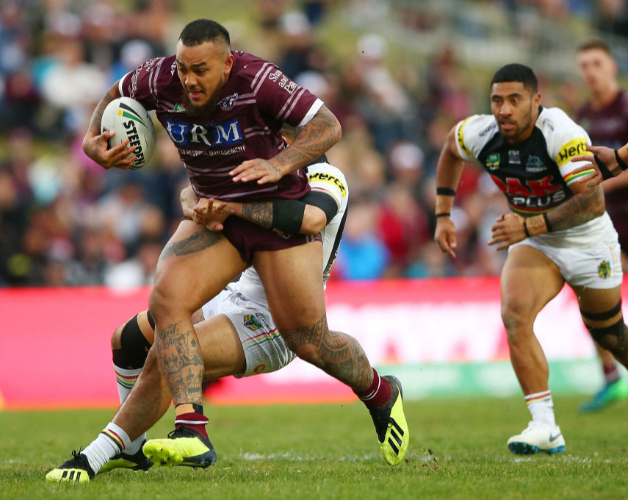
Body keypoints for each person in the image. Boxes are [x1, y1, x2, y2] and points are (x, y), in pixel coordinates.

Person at [69, 19, 408, 472]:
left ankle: (380, 392)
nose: (189, 80)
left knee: (306, 342)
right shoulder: (161, 78)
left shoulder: (320, 172)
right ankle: (182, 430)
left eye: (201, 70)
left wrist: (260, 180)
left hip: (273, 279)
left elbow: (309, 210)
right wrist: (94, 138)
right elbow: (116, 92)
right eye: (184, 68)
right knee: (148, 319)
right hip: (227, 236)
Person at [46, 162, 350, 482]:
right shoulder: (262, 163)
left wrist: (234, 207)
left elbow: (312, 218)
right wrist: (201, 203)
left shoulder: (323, 174)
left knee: (168, 356)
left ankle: (98, 454)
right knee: (127, 340)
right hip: (232, 294)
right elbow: (189, 195)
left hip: (274, 316)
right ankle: (131, 448)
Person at [434, 63, 627, 455]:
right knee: (514, 315)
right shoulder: (480, 132)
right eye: (497, 100)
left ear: (536, 101)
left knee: (610, 334)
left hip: (586, 239)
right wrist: (443, 214)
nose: (504, 109)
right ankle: (544, 426)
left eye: (514, 100)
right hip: (536, 241)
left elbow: (591, 201)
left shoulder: (562, 133)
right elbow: (450, 150)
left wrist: (529, 226)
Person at [573, 39, 628, 412]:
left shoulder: (625, 106)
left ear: (612, 67)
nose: (590, 71)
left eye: (596, 63)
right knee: (592, 298)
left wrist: (595, 188)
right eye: (584, 65)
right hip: (603, 223)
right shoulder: (583, 115)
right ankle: (610, 377)